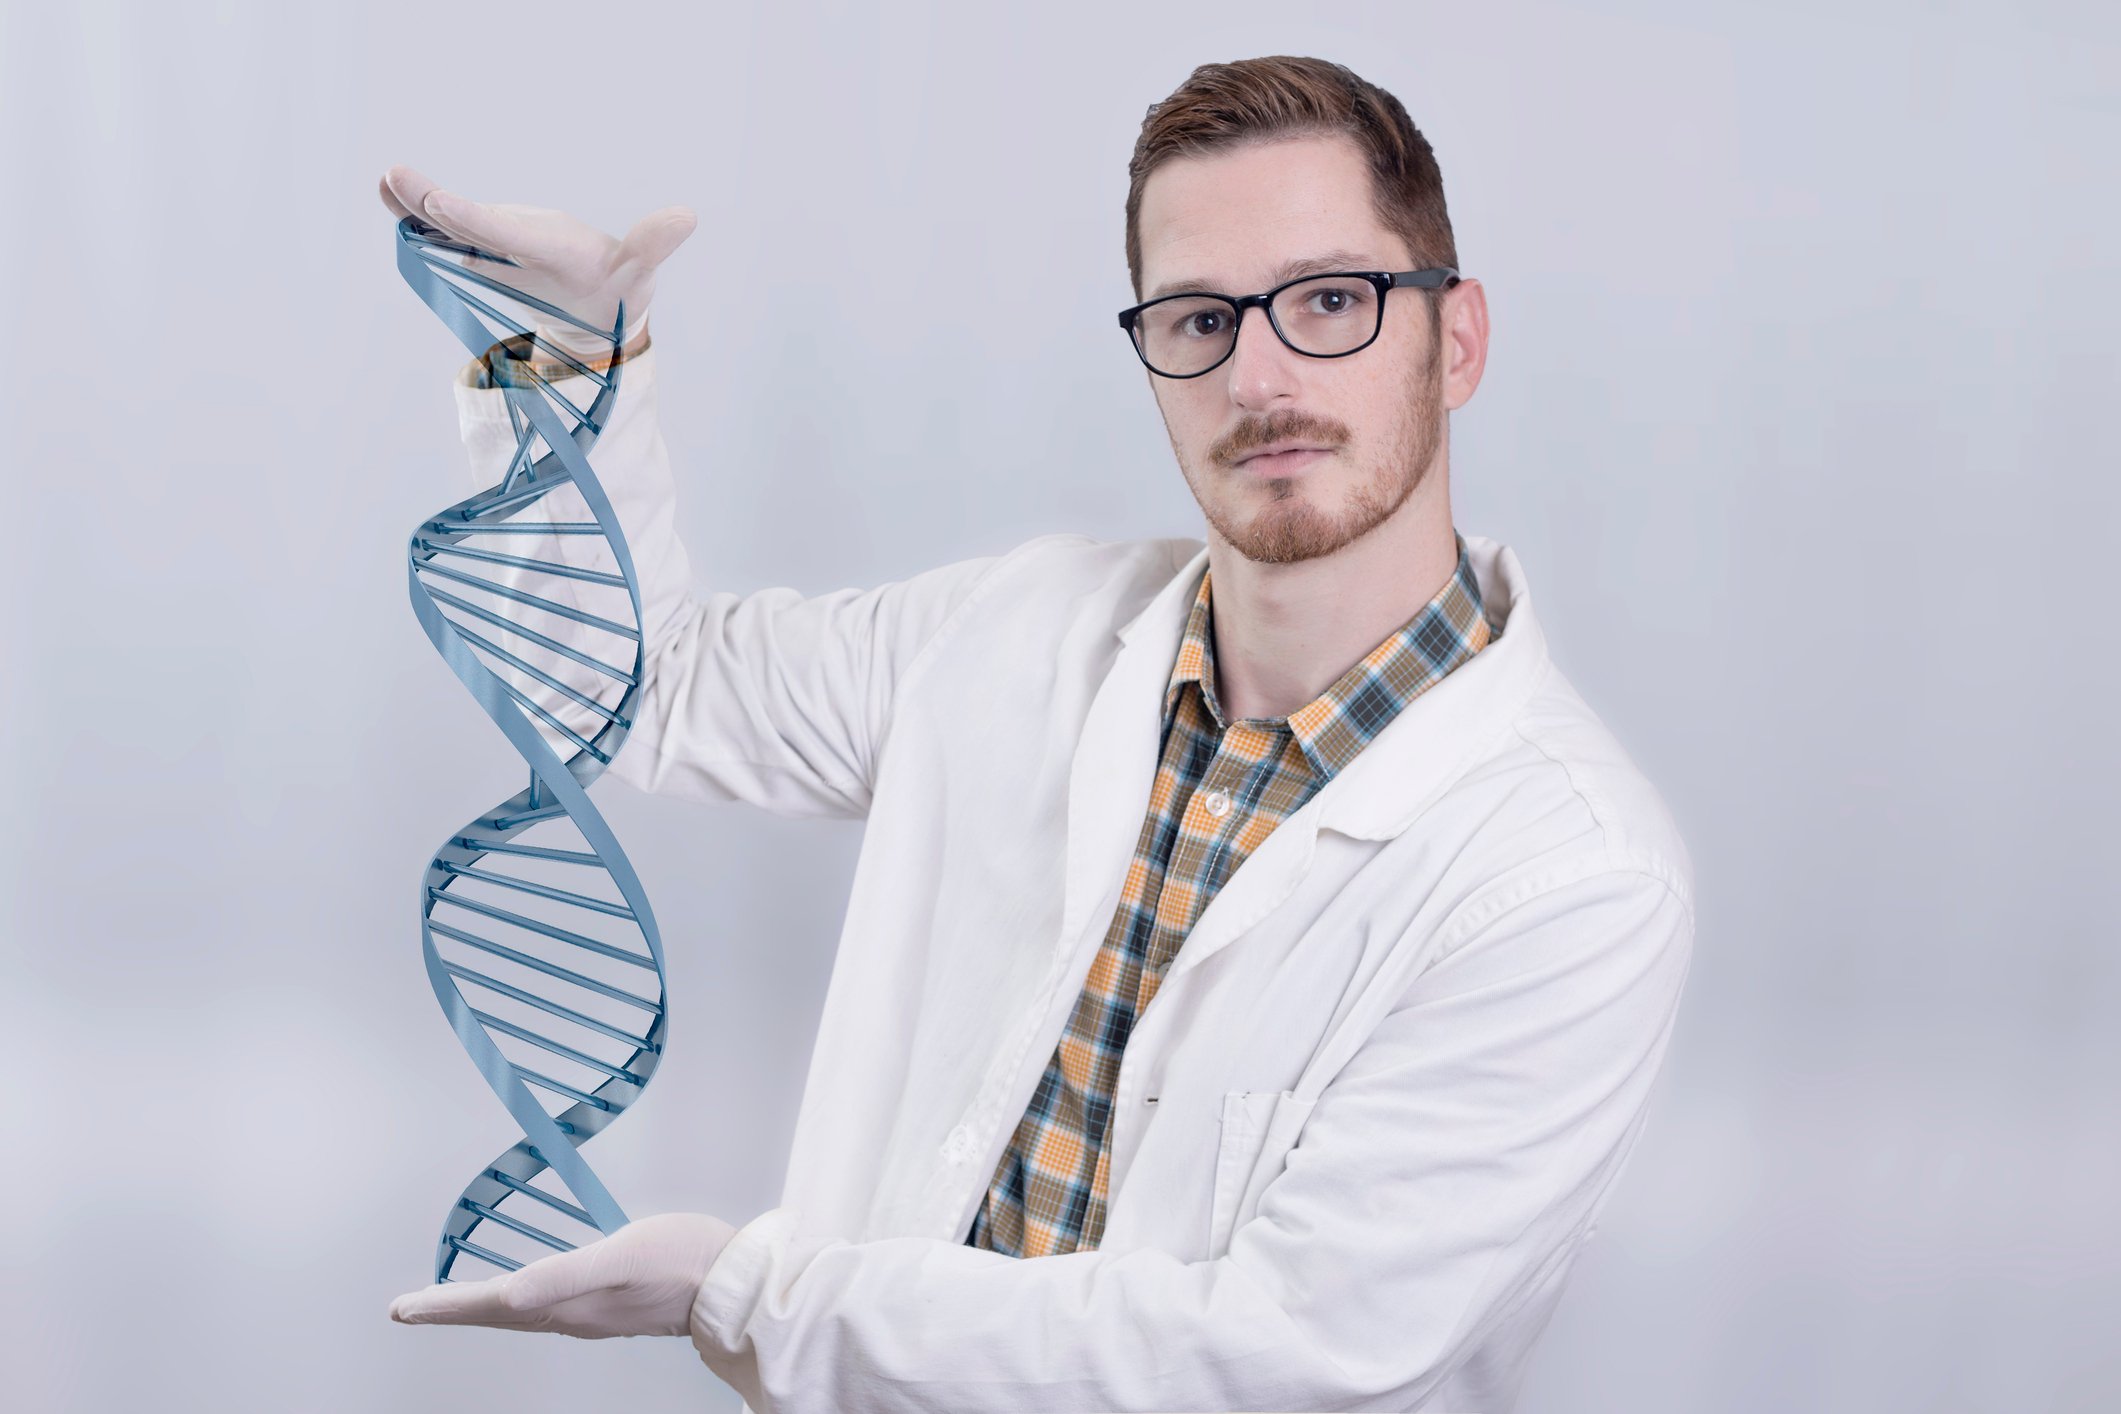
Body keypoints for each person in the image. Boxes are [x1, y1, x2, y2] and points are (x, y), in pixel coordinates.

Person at [384, 53, 1696, 1414]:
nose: (1258, 377)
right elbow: (644, 690)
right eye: (1197, 317)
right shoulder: (1020, 632)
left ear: (1456, 338)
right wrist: (555, 358)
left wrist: (745, 1295)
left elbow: (1284, 1357)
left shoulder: (1569, 872)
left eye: (1327, 302)